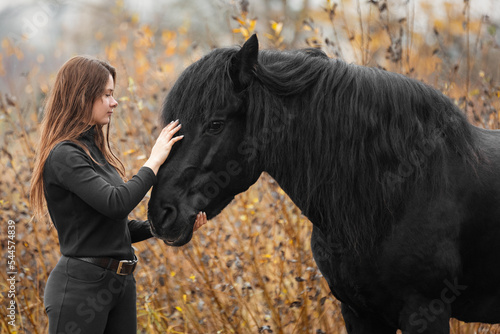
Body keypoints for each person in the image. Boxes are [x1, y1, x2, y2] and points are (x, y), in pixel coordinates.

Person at [29, 55, 207, 333]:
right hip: (81, 289)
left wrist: (169, 223)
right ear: (81, 96)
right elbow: (117, 204)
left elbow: (116, 228)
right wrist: (154, 161)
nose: (114, 102)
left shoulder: (95, 154)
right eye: (107, 95)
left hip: (120, 284)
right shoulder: (64, 155)